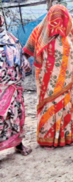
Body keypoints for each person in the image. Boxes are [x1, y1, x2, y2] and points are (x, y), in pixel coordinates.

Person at [23, 5, 73, 149]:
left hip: (69, 79)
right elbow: (26, 52)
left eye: (61, 17)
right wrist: (25, 60)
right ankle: (48, 139)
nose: (58, 22)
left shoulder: (71, 33)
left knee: (68, 106)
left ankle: (67, 136)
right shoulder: (39, 31)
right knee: (50, 106)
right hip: (48, 80)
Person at [0, 15, 32, 156]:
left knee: (17, 115)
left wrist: (24, 62)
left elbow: (20, 54)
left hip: (14, 85)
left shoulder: (10, 37)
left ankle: (18, 145)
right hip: (2, 87)